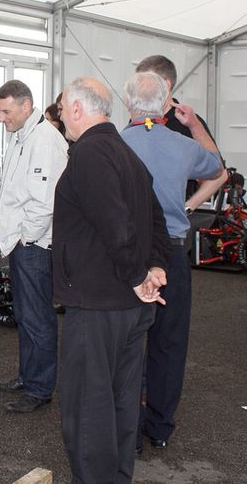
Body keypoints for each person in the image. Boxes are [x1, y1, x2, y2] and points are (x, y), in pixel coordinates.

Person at [54, 77, 171, 484]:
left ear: (77, 109)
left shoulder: (89, 153)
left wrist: (141, 274)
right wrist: (156, 267)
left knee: (89, 407)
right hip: (129, 308)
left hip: (99, 306)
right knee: (121, 402)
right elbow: (157, 220)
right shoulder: (126, 153)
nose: (61, 117)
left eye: (63, 109)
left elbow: (114, 221)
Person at [121, 71, 223, 452]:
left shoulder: (116, 144)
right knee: (169, 341)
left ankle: (128, 431)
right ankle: (160, 426)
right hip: (173, 253)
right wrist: (194, 124)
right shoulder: (182, 146)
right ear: (166, 105)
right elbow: (217, 167)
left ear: (128, 104)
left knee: (128, 342)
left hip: (130, 254)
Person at [0, 80, 67, 413]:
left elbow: (44, 202)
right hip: (20, 243)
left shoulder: (45, 141)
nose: (1, 118)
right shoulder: (21, 135)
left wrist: (26, 237)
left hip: (34, 245)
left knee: (37, 317)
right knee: (24, 314)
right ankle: (28, 376)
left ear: (26, 106)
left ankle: (39, 388)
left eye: (6, 111)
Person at [135, 55, 228, 209]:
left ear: (166, 85)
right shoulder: (139, 121)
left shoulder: (189, 123)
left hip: (172, 220)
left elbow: (220, 174)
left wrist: (188, 207)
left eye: (144, 83)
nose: (138, 90)